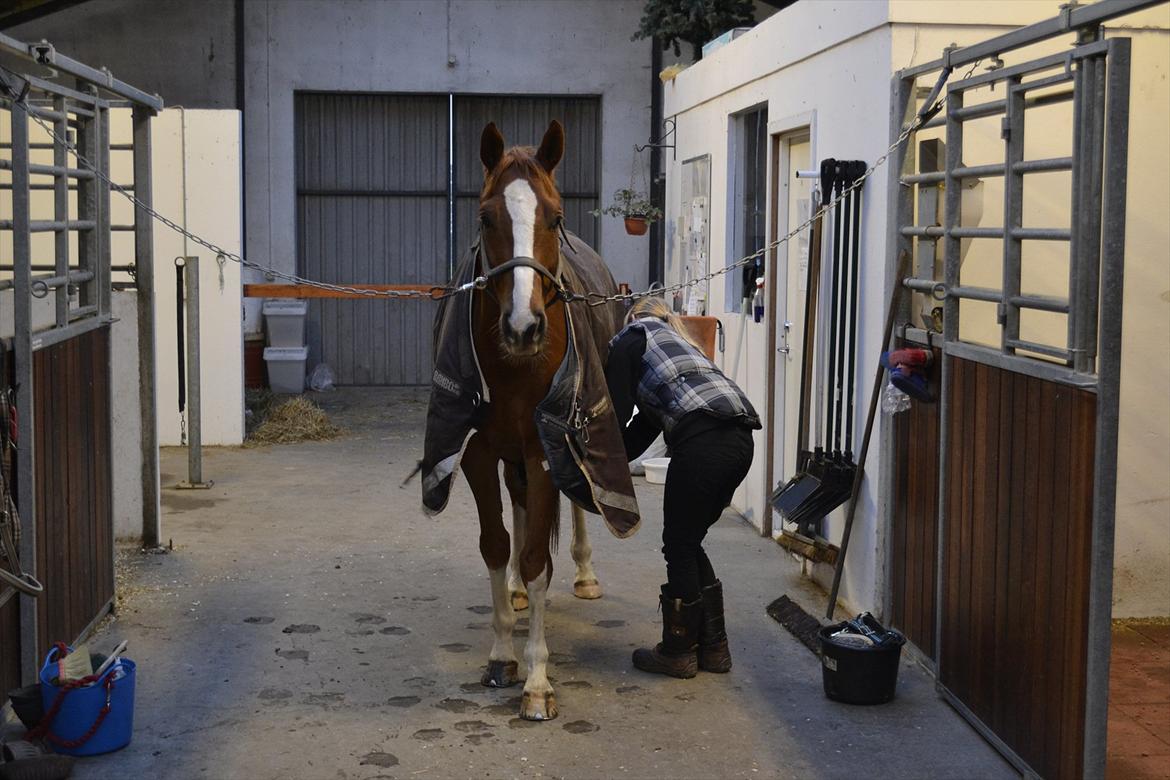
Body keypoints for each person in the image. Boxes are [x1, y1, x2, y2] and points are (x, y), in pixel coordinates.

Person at [605, 296, 760, 678]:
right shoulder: (682, 346)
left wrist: (591, 462)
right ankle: (714, 649)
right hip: (740, 443)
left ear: (632, 317)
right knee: (688, 541)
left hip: (703, 443)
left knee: (678, 545)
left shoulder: (630, 338)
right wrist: (614, 465)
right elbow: (645, 426)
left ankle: (678, 651)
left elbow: (615, 415)